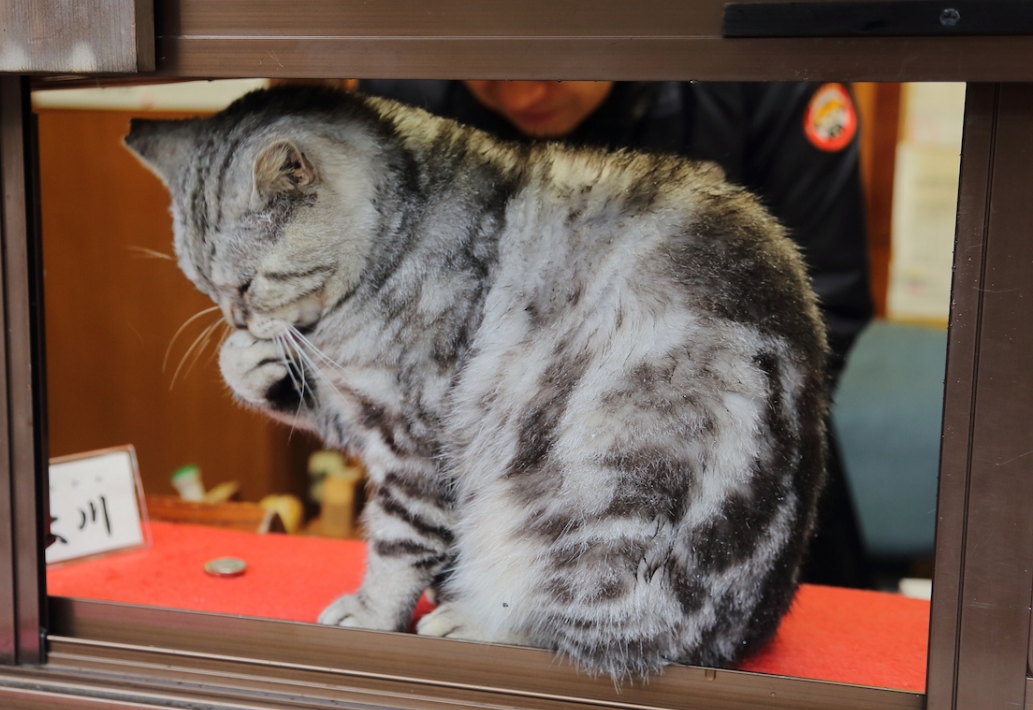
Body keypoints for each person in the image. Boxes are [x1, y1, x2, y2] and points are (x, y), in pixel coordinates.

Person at [359, 79, 875, 588]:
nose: (523, 96)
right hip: (475, 496)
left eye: (552, 69)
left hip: (721, 484)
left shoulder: (770, 79)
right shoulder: (402, 89)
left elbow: (826, 305)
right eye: (489, 75)